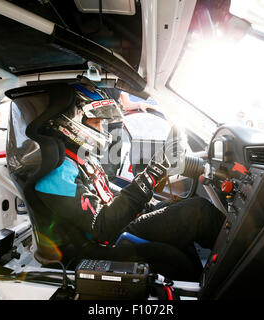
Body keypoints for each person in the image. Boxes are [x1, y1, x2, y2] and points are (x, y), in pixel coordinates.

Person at [34, 78, 225, 281]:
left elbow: (108, 195)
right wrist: (153, 172)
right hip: (99, 245)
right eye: (96, 122)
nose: (102, 128)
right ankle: (246, 268)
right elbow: (103, 226)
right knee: (198, 213)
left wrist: (154, 206)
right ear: (71, 120)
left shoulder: (80, 158)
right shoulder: (56, 174)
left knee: (181, 215)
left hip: (116, 227)